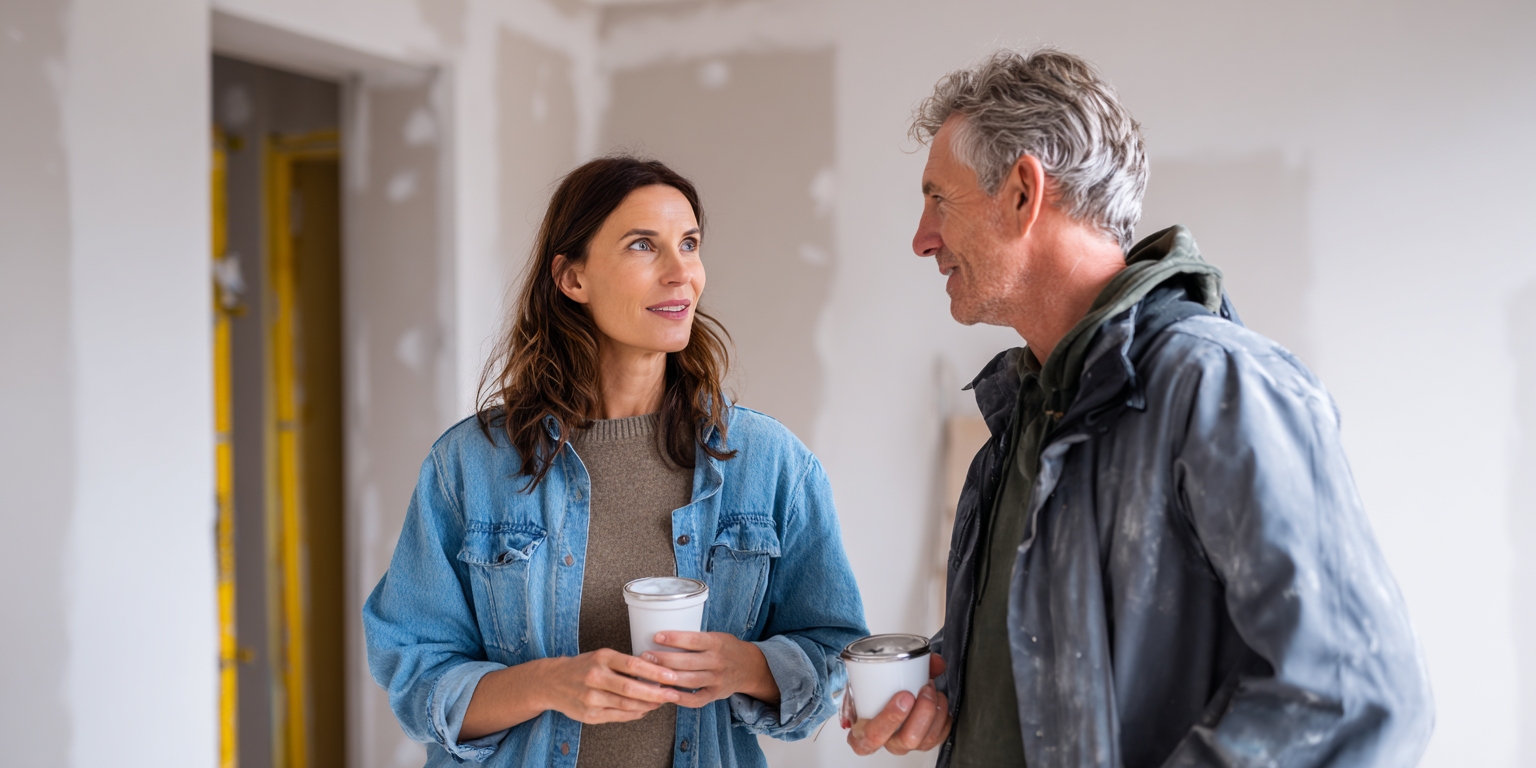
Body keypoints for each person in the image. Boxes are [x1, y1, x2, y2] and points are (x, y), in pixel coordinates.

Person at [848, 48, 1434, 766]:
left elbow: (1353, 696)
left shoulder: (1217, 387)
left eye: (939, 198)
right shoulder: (1017, 429)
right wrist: (946, 686)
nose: (922, 238)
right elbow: (1059, 669)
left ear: (1024, 193)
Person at [364, 156, 867, 767]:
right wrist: (549, 684)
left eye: (689, 244)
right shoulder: (469, 465)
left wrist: (748, 666)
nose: (682, 273)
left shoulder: (771, 464)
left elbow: (836, 652)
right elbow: (416, 674)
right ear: (572, 278)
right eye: (643, 246)